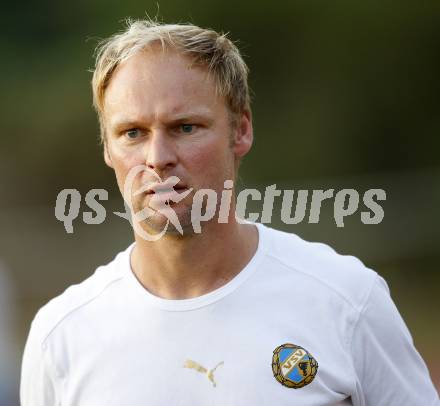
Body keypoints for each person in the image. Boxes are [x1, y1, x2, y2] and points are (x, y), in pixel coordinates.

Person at [20, 19, 439, 406]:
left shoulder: (347, 302)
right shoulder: (61, 336)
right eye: (133, 133)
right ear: (107, 148)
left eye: (185, 127)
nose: (158, 157)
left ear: (241, 131)